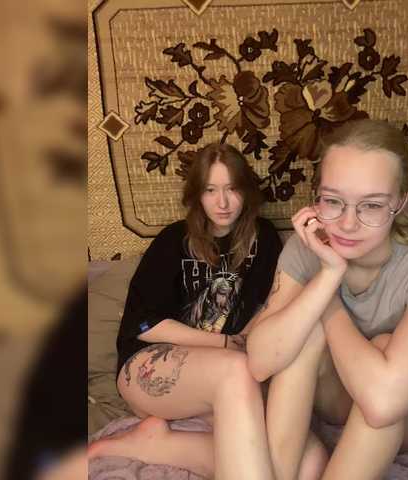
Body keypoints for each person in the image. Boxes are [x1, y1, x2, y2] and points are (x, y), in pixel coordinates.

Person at [246, 119, 408, 480]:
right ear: (317, 198)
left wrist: (327, 300)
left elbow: (383, 404)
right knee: (303, 333)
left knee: (382, 349)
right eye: (333, 201)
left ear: (400, 201)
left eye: (371, 206)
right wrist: (327, 275)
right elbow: (260, 362)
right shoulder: (306, 247)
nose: (348, 224)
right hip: (339, 401)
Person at [88, 143, 282, 480]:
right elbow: (146, 325)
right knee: (236, 370)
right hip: (148, 362)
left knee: (302, 459)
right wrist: (226, 344)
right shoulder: (173, 240)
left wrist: (248, 339)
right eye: (210, 190)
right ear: (197, 195)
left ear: (247, 192)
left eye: (232, 189)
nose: (222, 203)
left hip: (222, 374)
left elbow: (268, 305)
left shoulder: (264, 238)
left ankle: (153, 444)